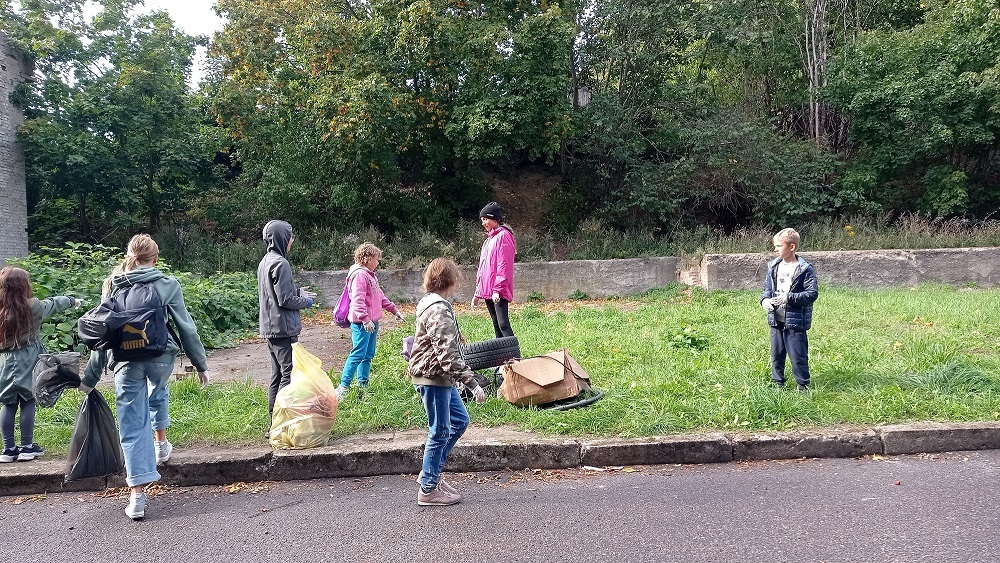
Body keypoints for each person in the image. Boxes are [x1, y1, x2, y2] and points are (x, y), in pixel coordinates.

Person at [81, 234, 209, 520]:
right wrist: (200, 365)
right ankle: (161, 444)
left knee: (131, 423)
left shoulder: (113, 285)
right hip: (161, 359)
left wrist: (89, 379)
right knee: (158, 390)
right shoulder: (167, 284)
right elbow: (186, 328)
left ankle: (137, 496)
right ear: (156, 257)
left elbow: (103, 334)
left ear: (128, 255)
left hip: (126, 361)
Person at [408, 258, 486, 506]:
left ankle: (430, 473)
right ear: (450, 280)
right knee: (440, 430)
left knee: (460, 421)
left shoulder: (432, 303)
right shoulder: (438, 309)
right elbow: (447, 354)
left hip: (439, 375)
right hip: (432, 377)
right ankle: (428, 489)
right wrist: (472, 383)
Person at [0, 266, 82, 463]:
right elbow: (53, 304)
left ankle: (8, 449)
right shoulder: (33, 306)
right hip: (29, 358)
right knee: (28, 399)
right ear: (24, 286)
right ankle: (27, 447)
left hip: (3, 362)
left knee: (8, 403)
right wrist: (72, 300)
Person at [258, 220, 316, 421]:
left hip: (270, 328)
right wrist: (306, 302)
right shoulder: (281, 264)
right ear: (282, 238)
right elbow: (285, 300)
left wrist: (297, 292)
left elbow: (272, 295)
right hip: (283, 329)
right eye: (290, 236)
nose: (292, 240)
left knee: (277, 375)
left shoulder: (266, 261)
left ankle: (273, 420)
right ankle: (280, 421)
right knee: (288, 374)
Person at [336, 242, 404, 400]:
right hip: (362, 324)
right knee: (358, 354)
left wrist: (394, 310)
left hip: (372, 323)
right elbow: (357, 301)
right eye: (376, 259)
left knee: (367, 355)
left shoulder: (370, 276)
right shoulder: (360, 275)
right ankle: (343, 387)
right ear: (367, 258)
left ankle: (363, 387)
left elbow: (380, 297)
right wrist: (365, 320)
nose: (378, 262)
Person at [760, 228, 819, 392]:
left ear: (791, 247)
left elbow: (812, 294)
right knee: (776, 354)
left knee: (797, 354)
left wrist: (789, 298)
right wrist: (764, 300)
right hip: (776, 319)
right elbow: (767, 288)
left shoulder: (805, 269)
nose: (775, 249)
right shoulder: (773, 267)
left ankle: (802, 385)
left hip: (794, 320)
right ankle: (777, 383)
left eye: (779, 246)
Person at [472, 201, 517, 338]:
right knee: (496, 324)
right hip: (488, 290)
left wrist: (498, 289)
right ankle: (502, 357)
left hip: (498, 290)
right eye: (482, 220)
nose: (483, 223)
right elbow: (483, 269)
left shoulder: (504, 236)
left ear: (494, 218)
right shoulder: (488, 240)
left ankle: (515, 356)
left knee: (503, 324)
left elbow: (504, 265)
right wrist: (477, 293)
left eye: (485, 219)